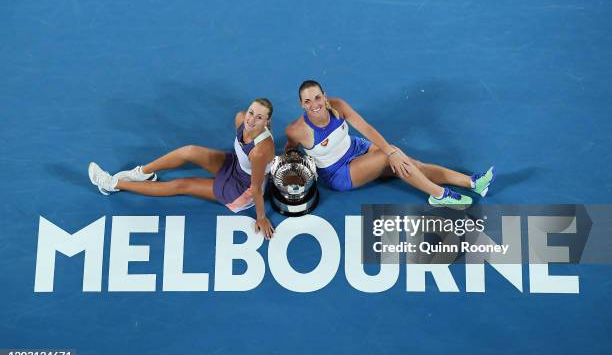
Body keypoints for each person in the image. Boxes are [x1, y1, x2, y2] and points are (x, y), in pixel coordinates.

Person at [284, 80, 495, 208]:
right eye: (307, 101)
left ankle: (473, 183)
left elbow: (365, 128)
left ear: (325, 97)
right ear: (301, 104)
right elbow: (290, 151)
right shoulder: (296, 129)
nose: (314, 105)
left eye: (317, 97)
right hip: (339, 172)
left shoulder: (337, 105)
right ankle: (438, 195)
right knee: (391, 155)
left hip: (357, 148)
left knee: (410, 163)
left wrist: (390, 152)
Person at [88, 98, 276, 238]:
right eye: (251, 112)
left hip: (241, 189)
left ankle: (112, 184)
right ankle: (142, 173)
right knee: (189, 151)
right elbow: (244, 142)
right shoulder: (240, 119)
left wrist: (261, 217)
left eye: (259, 117)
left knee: (182, 184)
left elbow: (257, 188)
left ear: (266, 122)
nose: (251, 120)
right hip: (234, 165)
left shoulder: (259, 152)